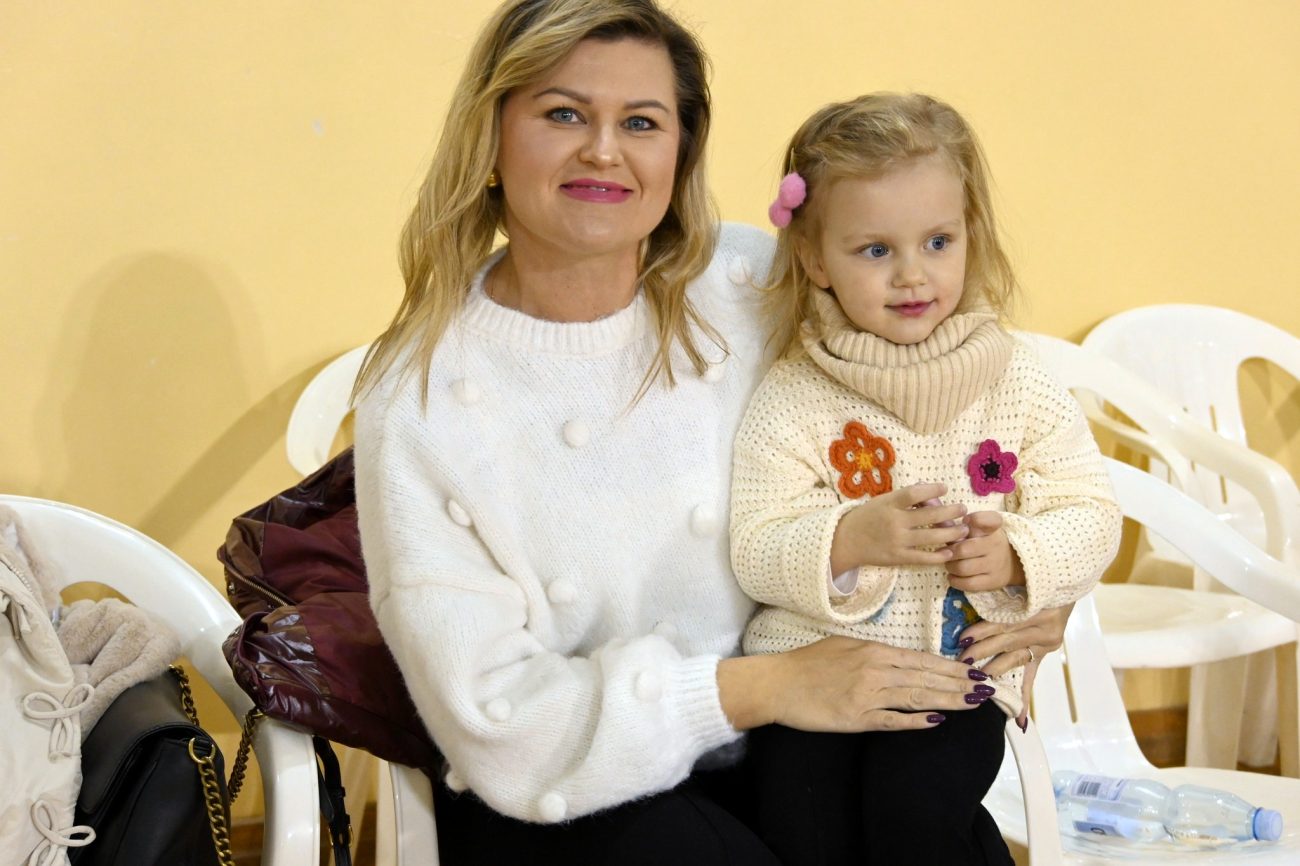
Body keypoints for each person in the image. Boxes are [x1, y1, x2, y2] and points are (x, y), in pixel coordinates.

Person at [352, 2, 1078, 862]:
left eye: (642, 123)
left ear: (681, 152)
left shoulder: (756, 286)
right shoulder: (419, 397)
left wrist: (1036, 581)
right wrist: (766, 687)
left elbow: (974, 424)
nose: (604, 151)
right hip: (573, 795)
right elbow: (499, 724)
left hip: (797, 745)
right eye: (564, 114)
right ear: (491, 137)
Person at [729, 92, 1123, 865]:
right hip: (814, 668)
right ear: (815, 259)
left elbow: (1091, 510)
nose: (913, 275)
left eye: (938, 241)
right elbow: (755, 544)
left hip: (958, 675)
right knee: (798, 821)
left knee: (912, 811)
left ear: (970, 234)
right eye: (875, 250)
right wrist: (848, 539)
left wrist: (1019, 554)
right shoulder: (793, 396)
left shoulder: (1016, 380)